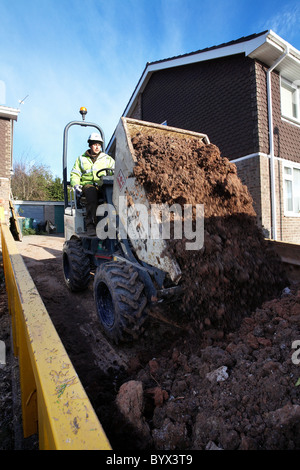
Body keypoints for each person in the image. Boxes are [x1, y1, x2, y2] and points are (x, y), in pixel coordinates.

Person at [70, 132, 115, 236]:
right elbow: (75, 173)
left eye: (99, 145)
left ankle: (113, 224)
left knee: (113, 196)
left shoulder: (107, 158)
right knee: (91, 195)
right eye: (95, 144)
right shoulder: (81, 159)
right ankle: (90, 225)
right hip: (88, 185)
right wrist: (76, 185)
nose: (97, 147)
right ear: (90, 145)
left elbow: (116, 169)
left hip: (103, 185)